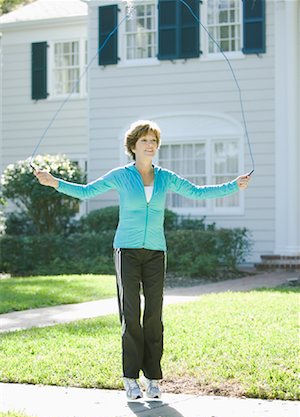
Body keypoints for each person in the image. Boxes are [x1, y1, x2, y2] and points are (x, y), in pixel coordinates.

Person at [34, 119, 250, 400]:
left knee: (154, 316)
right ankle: (130, 379)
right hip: (127, 250)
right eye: (145, 141)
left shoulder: (165, 177)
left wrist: (233, 186)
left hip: (156, 252)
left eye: (154, 141)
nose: (151, 145)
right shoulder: (121, 175)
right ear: (133, 146)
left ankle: (154, 380)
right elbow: (87, 191)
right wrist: (54, 183)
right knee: (131, 315)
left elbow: (197, 192)